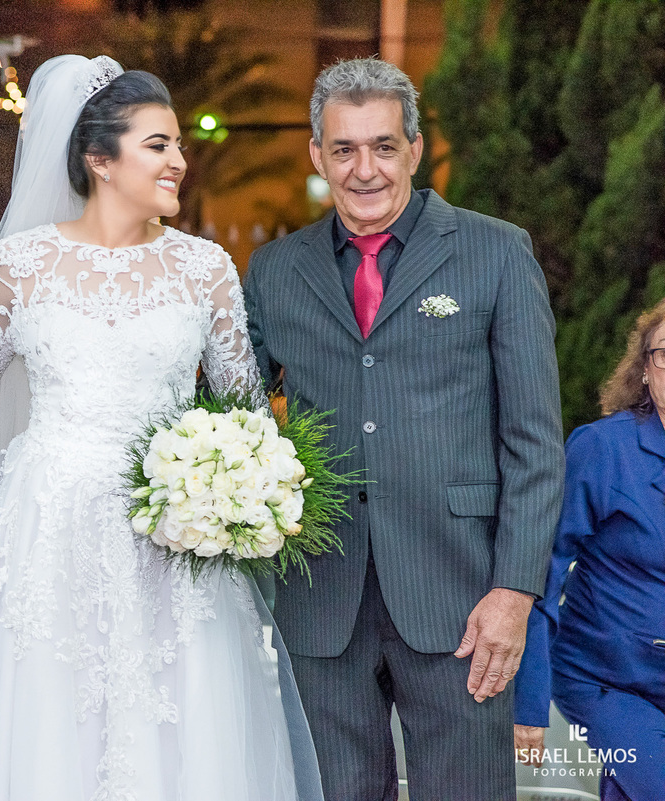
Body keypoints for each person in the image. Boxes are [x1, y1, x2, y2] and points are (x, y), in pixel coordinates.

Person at [0, 55, 323, 801]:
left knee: (174, 734)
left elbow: (246, 412)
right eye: (159, 145)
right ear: (98, 158)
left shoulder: (205, 268)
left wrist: (242, 480)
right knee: (44, 732)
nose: (180, 160)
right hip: (44, 532)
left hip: (172, 541)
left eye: (179, 145)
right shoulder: (22, 264)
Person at [243, 57, 565, 800]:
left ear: (415, 150)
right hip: (321, 599)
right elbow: (236, 419)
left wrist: (513, 591)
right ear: (316, 154)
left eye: (384, 146)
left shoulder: (496, 251)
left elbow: (535, 445)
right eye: (345, 149)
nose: (365, 169)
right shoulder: (274, 270)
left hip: (462, 599)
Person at [515, 301, 665, 799]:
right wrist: (528, 703)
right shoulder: (602, 450)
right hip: (608, 680)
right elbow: (540, 570)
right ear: (644, 369)